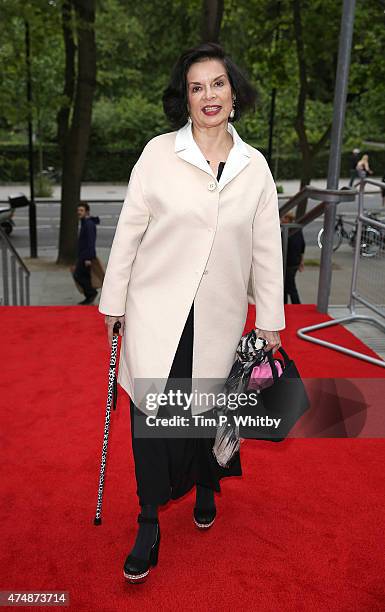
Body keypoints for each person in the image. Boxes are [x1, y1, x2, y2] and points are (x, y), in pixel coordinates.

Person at [98, 42, 285, 584]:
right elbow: (129, 230)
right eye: (197, 86)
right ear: (185, 97)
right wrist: (112, 301)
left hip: (221, 316)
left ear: (234, 93)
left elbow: (267, 248)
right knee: (153, 418)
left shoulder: (255, 167)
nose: (209, 95)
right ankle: (148, 521)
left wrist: (269, 317)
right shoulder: (158, 154)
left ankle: (206, 485)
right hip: (156, 311)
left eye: (218, 84)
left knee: (208, 411)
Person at [73, 201, 100, 305]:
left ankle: (91, 293)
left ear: (87, 212)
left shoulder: (88, 224)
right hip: (83, 255)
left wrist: (88, 258)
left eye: (81, 210)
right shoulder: (85, 222)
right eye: (78, 210)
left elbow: (90, 241)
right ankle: (89, 296)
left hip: (86, 256)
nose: (79, 212)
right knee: (85, 276)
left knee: (78, 275)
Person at [282, 212, 305, 304]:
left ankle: (297, 304)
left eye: (283, 218)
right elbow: (303, 246)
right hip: (295, 262)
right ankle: (284, 304)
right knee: (286, 286)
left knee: (290, 286)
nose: (281, 220)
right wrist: (301, 261)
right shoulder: (297, 230)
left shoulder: (285, 232)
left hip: (288, 263)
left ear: (288, 219)